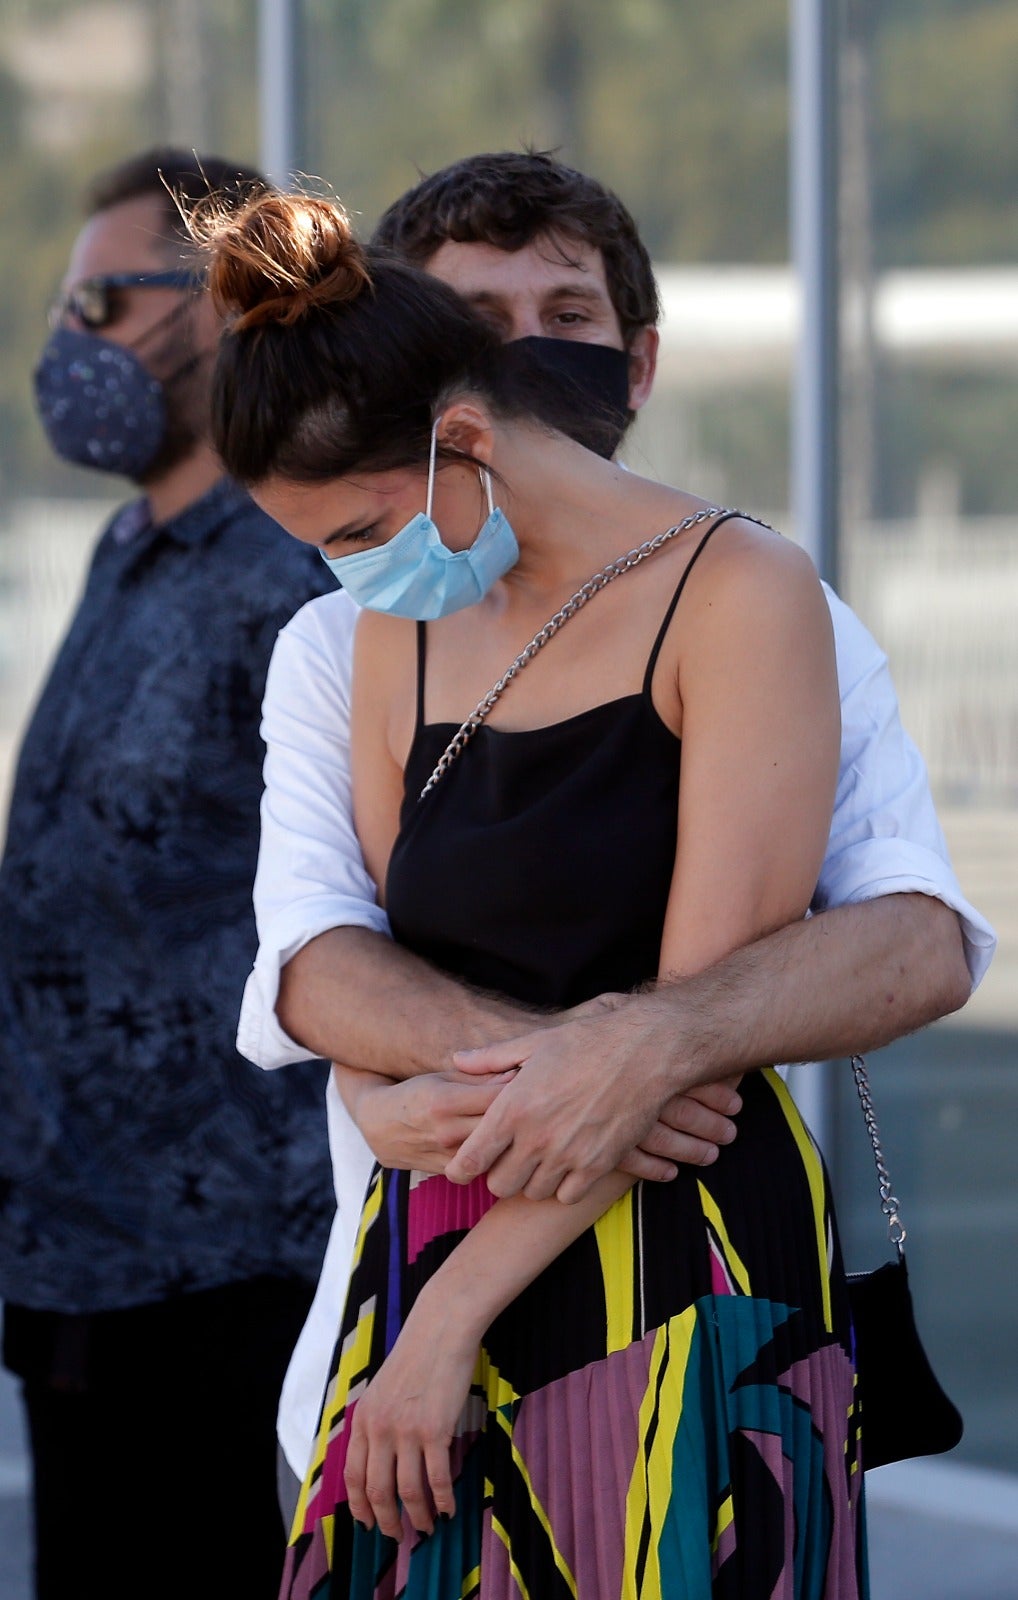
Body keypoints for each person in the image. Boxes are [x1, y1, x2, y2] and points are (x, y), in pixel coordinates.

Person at [233, 151, 996, 1513]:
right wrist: (580, 1063)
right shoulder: (360, 633)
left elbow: (910, 938)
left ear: (634, 362)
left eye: (565, 317)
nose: (523, 355)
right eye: (479, 315)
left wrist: (653, 1045)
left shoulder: (760, 599)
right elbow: (316, 959)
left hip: (662, 1298)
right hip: (408, 1280)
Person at [0, 149, 339, 1600]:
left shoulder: (303, 571)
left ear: (218, 300)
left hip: (225, 1276)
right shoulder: (123, 545)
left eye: (101, 303)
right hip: (73, 1251)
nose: (70, 347)